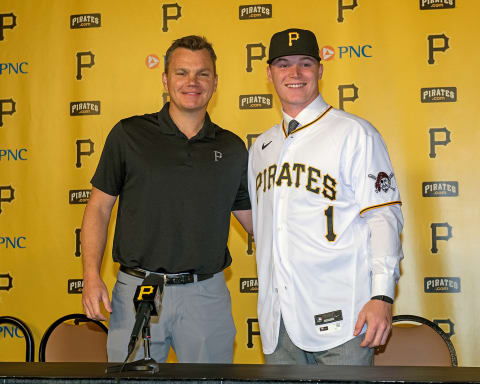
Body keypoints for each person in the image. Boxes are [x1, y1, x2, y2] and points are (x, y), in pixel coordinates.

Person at [81, 35, 252, 363]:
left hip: (206, 295)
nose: (192, 82)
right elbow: (99, 207)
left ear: (215, 82)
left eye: (202, 73)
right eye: (181, 72)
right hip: (137, 291)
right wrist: (90, 276)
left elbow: (254, 221)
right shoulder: (128, 134)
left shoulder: (231, 148)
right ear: (165, 79)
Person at [247, 28, 404, 365]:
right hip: (279, 324)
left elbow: (383, 217)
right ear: (269, 73)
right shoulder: (261, 147)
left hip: (344, 320)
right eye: (284, 64)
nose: (295, 74)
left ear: (320, 69)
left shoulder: (354, 133)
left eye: (305, 64)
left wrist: (381, 295)